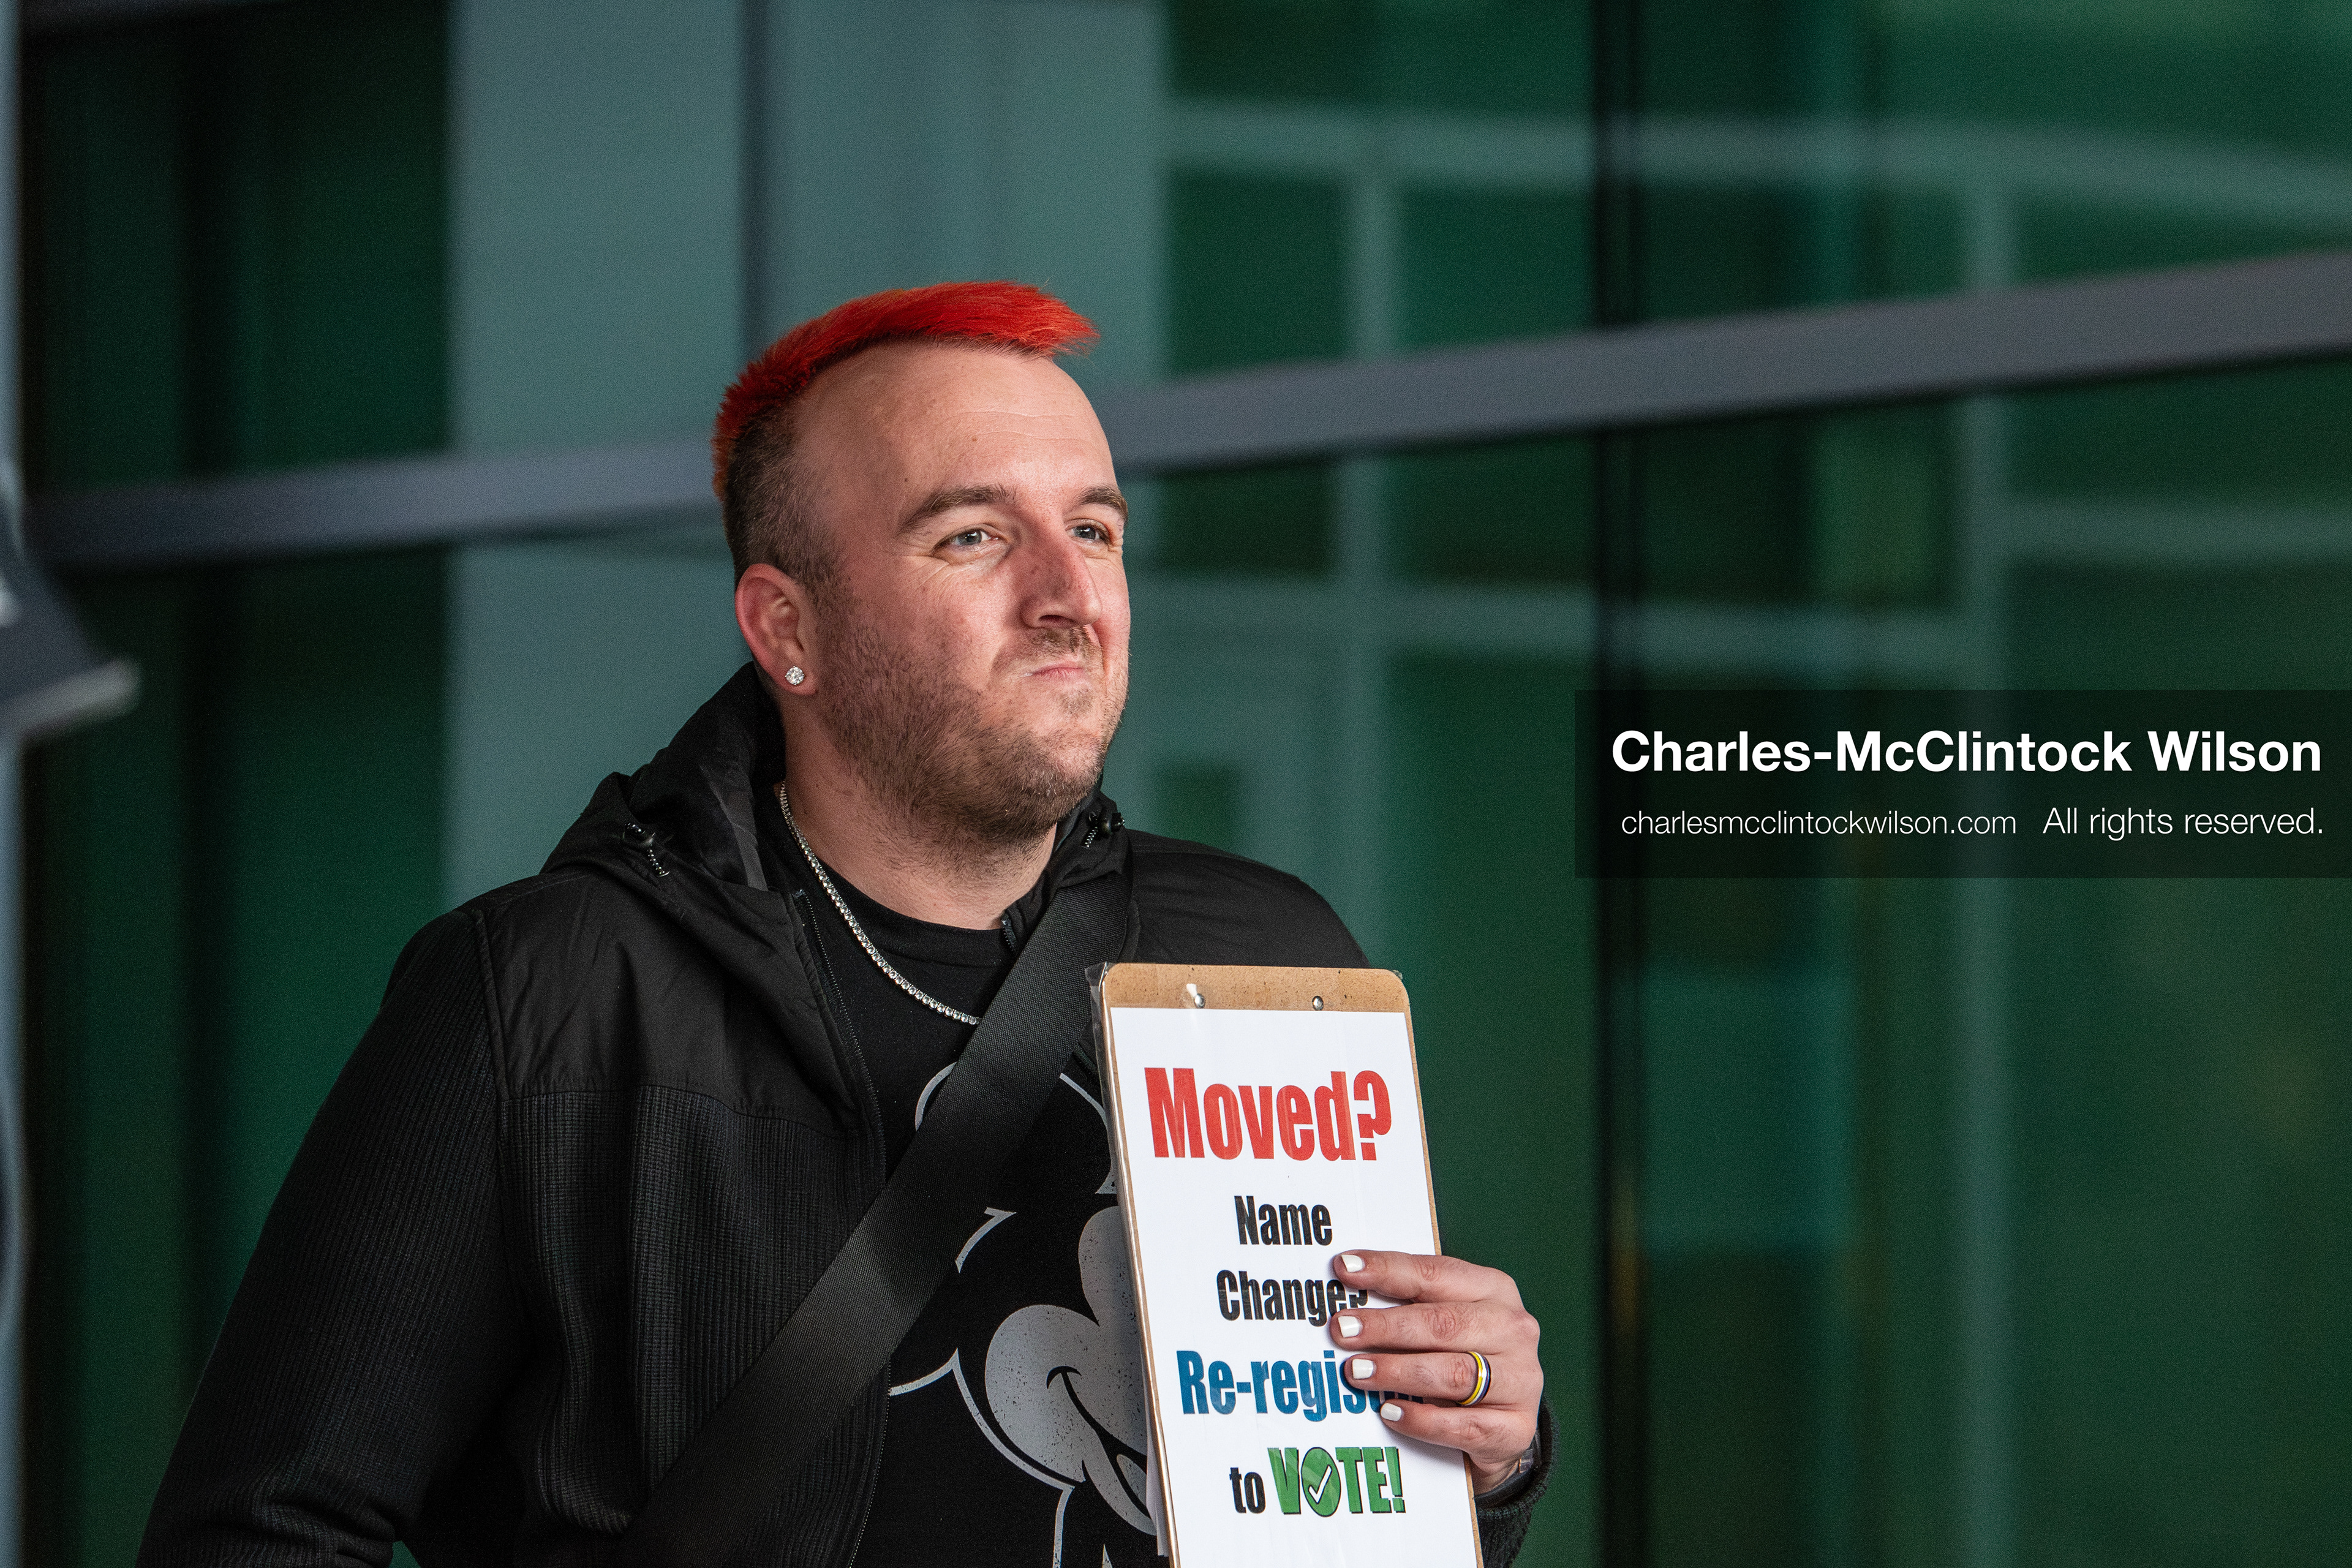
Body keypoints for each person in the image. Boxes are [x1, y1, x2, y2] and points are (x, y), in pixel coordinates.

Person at [139, 282, 1551, 1567]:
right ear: (785, 627)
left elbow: (1356, 1503)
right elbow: (265, 1527)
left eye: (1097, 529)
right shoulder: (540, 996)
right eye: (975, 534)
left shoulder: (1270, 952)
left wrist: (1484, 1446)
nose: (1068, 597)